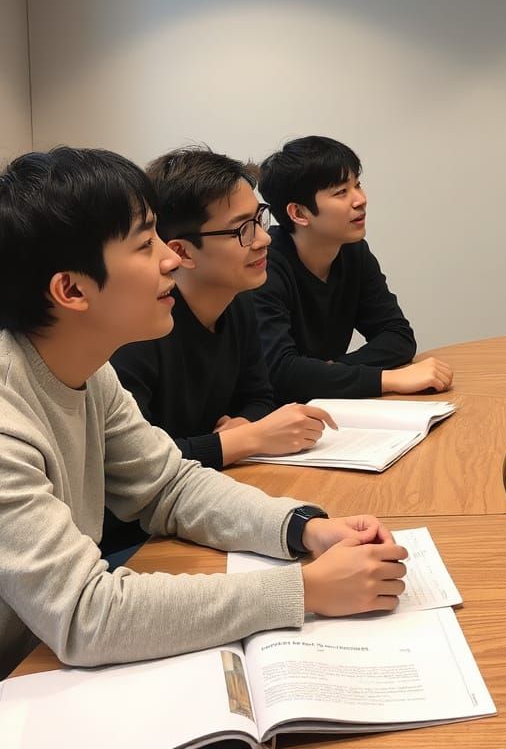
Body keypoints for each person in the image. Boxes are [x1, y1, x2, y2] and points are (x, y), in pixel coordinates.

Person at [0, 147, 408, 680]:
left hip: (42, 655)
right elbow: (86, 616)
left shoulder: (89, 371)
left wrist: (305, 528)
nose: (170, 259)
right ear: (72, 289)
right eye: (146, 245)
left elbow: (169, 486)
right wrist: (305, 590)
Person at [103, 147, 339, 556]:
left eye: (258, 219)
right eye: (242, 229)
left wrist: (245, 425)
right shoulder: (137, 332)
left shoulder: (238, 299)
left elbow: (259, 395)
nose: (264, 238)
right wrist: (245, 439)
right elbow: (133, 466)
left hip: (202, 503)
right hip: (136, 539)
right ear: (181, 251)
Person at [254, 135, 452, 403]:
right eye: (341, 192)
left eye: (357, 184)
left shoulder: (353, 251)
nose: (360, 200)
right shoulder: (263, 267)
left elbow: (397, 336)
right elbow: (280, 373)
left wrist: (328, 371)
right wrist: (386, 379)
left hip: (322, 407)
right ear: (299, 214)